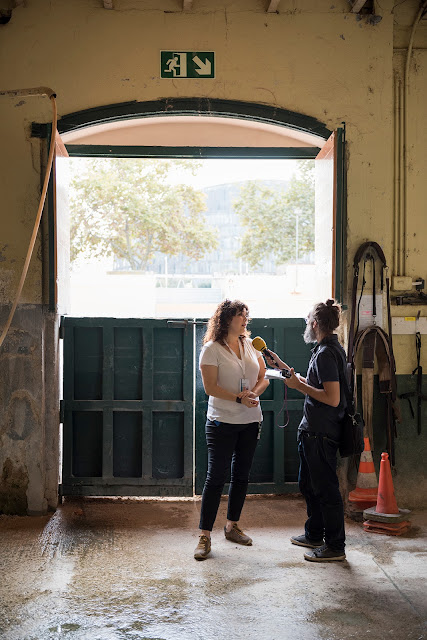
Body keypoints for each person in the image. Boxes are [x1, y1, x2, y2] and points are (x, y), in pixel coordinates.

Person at [265, 299, 347, 563]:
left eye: (307, 320)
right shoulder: (325, 349)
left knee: (326, 490)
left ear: (314, 323)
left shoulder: (326, 354)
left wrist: (299, 387)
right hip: (312, 431)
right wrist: (282, 367)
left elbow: (332, 398)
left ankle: (335, 546)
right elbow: (314, 384)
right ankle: (314, 534)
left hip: (321, 433)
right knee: (309, 486)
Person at [194, 299, 269, 560]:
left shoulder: (251, 345)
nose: (245, 319)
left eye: (246, 315)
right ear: (226, 319)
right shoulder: (211, 349)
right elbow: (210, 388)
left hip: (250, 420)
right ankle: (204, 535)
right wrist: (238, 398)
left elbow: (263, 377)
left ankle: (232, 526)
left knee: (241, 476)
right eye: (240, 315)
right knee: (215, 477)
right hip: (221, 421)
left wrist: (253, 394)